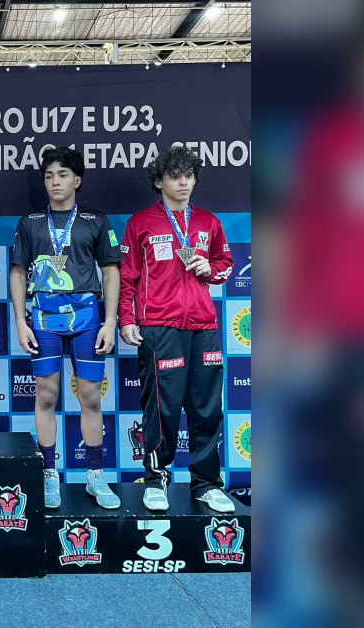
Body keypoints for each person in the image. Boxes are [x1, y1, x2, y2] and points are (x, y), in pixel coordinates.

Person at [117, 145, 235, 513]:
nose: (183, 183)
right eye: (175, 176)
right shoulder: (141, 223)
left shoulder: (209, 222)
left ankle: (206, 483)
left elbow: (225, 264)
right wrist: (126, 319)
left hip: (203, 325)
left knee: (207, 409)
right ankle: (156, 480)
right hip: (159, 327)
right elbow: (126, 277)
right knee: (162, 409)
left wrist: (211, 270)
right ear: (159, 181)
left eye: (188, 176)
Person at [10, 146, 123, 509]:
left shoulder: (96, 220)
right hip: (44, 317)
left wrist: (110, 321)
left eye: (62, 175)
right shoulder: (30, 222)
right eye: (48, 176)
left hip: (87, 317)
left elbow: (111, 270)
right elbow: (18, 271)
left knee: (90, 396)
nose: (54, 182)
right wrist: (20, 321)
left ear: (77, 180)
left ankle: (95, 475)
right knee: (46, 394)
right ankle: (48, 474)